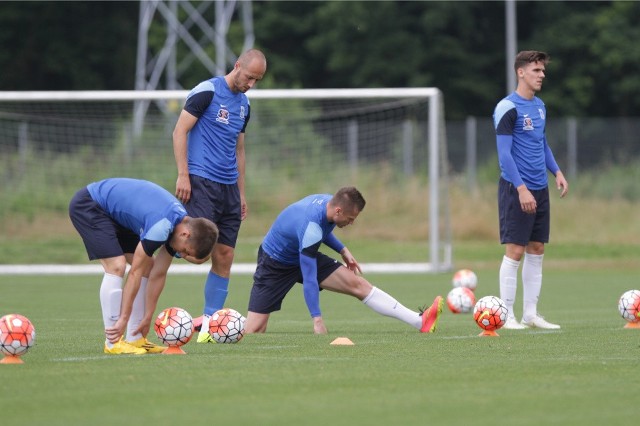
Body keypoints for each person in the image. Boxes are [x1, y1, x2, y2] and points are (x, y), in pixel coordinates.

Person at [243, 187, 444, 335]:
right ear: (338, 211)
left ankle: (420, 322)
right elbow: (310, 277)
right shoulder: (311, 227)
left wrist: (342, 249)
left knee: (357, 284)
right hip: (275, 262)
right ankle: (220, 326)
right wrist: (317, 319)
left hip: (303, 249)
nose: (352, 222)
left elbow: (323, 229)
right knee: (255, 330)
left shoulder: (328, 205)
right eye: (350, 218)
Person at [172, 48, 267, 343]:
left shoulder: (244, 106)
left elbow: (239, 150)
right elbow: (179, 131)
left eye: (257, 80)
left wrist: (241, 193)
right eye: (249, 77)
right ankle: (152, 249)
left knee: (224, 255)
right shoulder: (207, 91)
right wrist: (183, 174)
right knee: (197, 253)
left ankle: (210, 328)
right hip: (201, 181)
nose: (251, 84)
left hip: (228, 189)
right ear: (237, 66)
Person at [69, 178, 218, 354]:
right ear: (185, 234)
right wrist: (123, 318)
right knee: (117, 265)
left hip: (116, 216)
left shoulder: (178, 226)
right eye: (186, 251)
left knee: (149, 264)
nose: (182, 256)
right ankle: (113, 342)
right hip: (91, 205)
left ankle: (136, 338)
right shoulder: (162, 226)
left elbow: (159, 273)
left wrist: (148, 316)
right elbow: (134, 273)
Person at [492, 50, 569, 330]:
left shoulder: (540, 106)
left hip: (540, 188)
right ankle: (506, 315)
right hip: (517, 189)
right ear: (520, 72)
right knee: (515, 250)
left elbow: (542, 143)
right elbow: (505, 155)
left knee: (537, 249)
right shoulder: (507, 108)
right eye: (536, 70)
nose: (542, 75)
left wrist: (557, 172)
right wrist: (521, 189)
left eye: (543, 71)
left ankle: (530, 314)